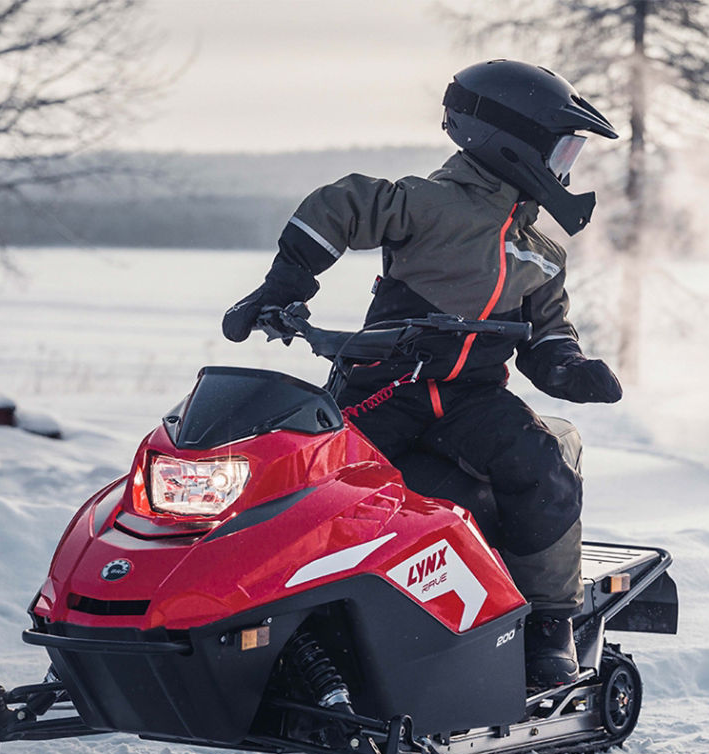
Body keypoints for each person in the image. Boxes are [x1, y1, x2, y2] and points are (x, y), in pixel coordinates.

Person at [221, 59, 622, 687]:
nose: (565, 168)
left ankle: (549, 623)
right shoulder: (429, 203)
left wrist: (569, 367)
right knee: (320, 487)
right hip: (384, 386)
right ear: (514, 142)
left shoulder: (542, 254)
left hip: (473, 400)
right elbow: (341, 206)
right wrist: (285, 283)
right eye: (561, 149)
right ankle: (270, 612)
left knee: (541, 462)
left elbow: (547, 332)